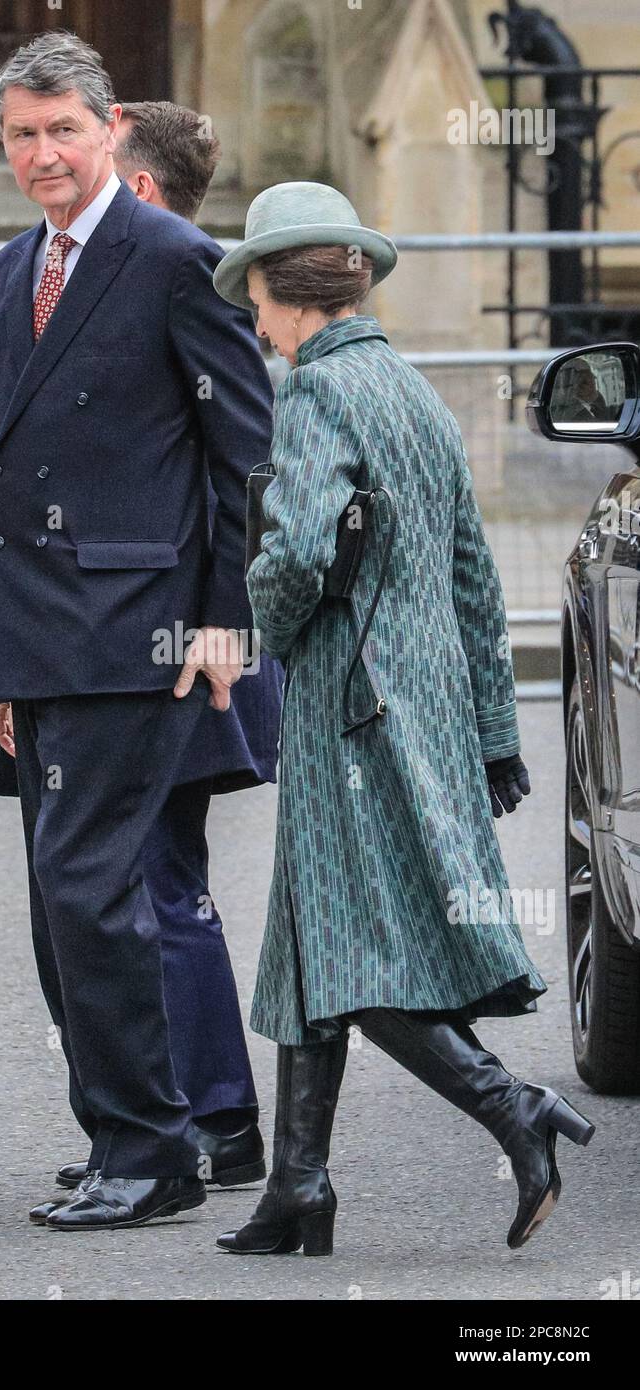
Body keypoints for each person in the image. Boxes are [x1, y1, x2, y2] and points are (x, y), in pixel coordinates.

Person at [0, 30, 277, 1233]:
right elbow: (34, 464)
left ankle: (157, 1150)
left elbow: (248, 460)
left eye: (64, 132)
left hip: (143, 633)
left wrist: (223, 621)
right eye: (22, 135)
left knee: (95, 892)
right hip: (43, 635)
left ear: (109, 134)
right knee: (63, 903)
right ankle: (126, 1141)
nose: (43, 154)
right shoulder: (6, 273)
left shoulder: (177, 258)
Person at [209, 181, 596, 1258]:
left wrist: (272, 631)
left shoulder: (316, 395)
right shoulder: (416, 390)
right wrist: (493, 731)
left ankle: (516, 1109)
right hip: (417, 703)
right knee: (308, 943)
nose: (253, 321)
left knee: (356, 959)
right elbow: (474, 573)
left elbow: (288, 557)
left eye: (254, 299)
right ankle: (300, 1189)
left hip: (349, 709)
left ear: (284, 302)